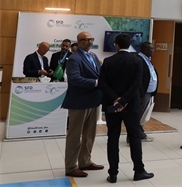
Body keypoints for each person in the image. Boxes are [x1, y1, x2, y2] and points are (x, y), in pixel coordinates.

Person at [99, 33, 154, 183]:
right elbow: (137, 84)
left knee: (113, 138)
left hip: (112, 106)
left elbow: (102, 82)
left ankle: (113, 173)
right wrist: (124, 100)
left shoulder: (108, 61)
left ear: (116, 45)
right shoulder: (137, 61)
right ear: (129, 45)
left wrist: (115, 99)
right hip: (131, 105)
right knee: (135, 137)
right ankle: (139, 171)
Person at [61, 31, 104, 178]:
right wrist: (96, 83)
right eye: (86, 40)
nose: (90, 42)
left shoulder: (93, 56)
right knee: (75, 135)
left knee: (89, 135)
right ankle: (71, 167)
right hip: (79, 102)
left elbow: (99, 73)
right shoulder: (74, 58)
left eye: (91, 39)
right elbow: (74, 79)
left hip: (93, 100)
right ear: (79, 42)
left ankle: (85, 162)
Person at [137, 42, 158, 143]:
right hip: (142, 94)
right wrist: (140, 94)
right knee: (138, 115)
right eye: (151, 49)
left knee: (143, 115)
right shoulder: (139, 60)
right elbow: (138, 79)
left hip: (149, 93)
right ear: (145, 49)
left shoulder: (147, 60)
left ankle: (141, 135)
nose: (153, 51)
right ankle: (133, 137)